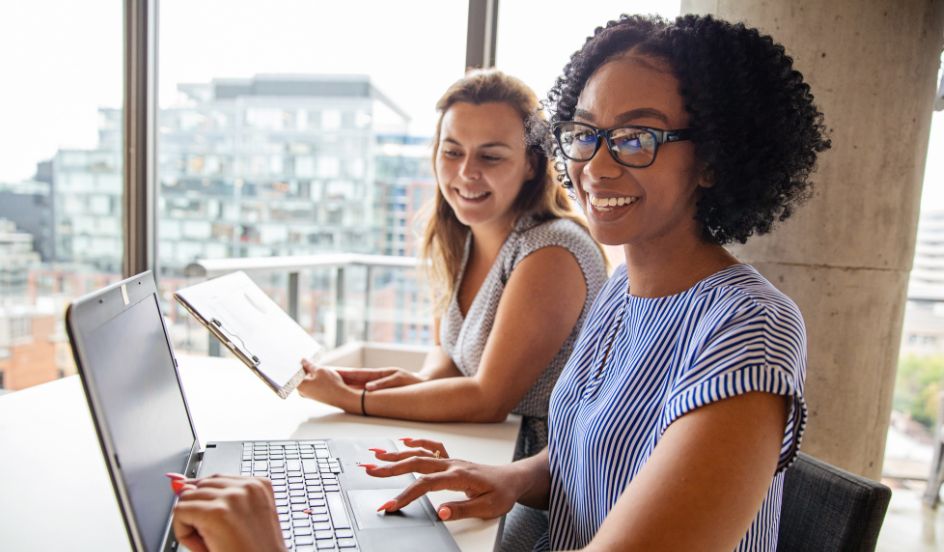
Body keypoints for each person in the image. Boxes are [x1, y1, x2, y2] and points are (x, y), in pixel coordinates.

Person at [172, 13, 829, 552]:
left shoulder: (749, 329)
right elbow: (599, 450)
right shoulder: (623, 289)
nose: (596, 166)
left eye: (636, 138)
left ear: (714, 157)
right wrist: (511, 479)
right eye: (585, 133)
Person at [296, 69, 607, 462]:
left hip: (543, 478)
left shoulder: (553, 251)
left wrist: (350, 398)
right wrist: (420, 384)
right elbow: (447, 350)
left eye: (491, 156)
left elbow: (488, 400)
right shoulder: (463, 235)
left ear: (531, 164)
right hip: (486, 451)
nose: (466, 173)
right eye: (452, 151)